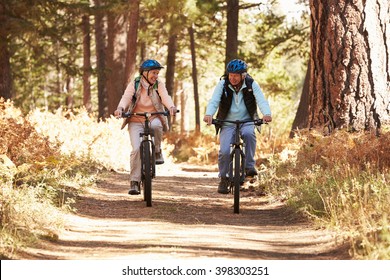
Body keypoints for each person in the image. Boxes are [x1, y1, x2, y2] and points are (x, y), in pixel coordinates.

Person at [203, 59, 272, 194]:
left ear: (243, 75)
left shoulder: (251, 84)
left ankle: (249, 166)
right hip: (227, 122)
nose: (233, 78)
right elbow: (214, 101)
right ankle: (224, 178)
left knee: (249, 134)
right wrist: (209, 114)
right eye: (231, 75)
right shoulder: (222, 84)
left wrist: (267, 114)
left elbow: (261, 100)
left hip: (246, 120)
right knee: (224, 151)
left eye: (236, 75)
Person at [114, 59, 177, 195]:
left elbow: (165, 97)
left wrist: (171, 106)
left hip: (153, 116)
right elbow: (126, 97)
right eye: (153, 73)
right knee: (136, 149)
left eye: (157, 73)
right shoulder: (135, 83)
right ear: (145, 73)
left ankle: (157, 151)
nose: (156, 76)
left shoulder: (158, 85)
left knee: (157, 126)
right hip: (135, 119)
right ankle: (134, 182)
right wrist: (120, 108)